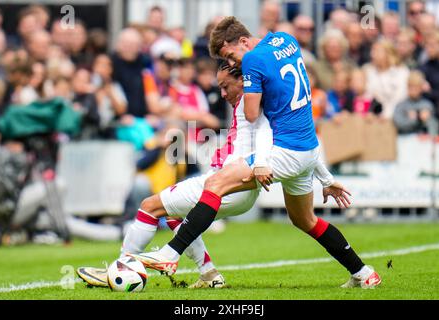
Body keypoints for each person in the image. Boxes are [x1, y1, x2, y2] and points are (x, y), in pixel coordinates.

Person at [132, 17, 381, 289]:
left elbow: (253, 115)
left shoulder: (252, 61)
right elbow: (295, 112)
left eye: (229, 55)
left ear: (242, 41)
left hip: (285, 152)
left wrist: (261, 161)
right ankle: (364, 272)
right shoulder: (286, 40)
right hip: (308, 150)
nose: (233, 63)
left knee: (215, 184)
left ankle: (170, 254)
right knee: (304, 220)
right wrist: (326, 177)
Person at [77, 61, 341, 289]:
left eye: (227, 86)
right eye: (220, 87)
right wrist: (325, 178)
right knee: (173, 214)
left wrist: (262, 163)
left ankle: (121, 267)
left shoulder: (254, 107)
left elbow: (267, 135)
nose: (223, 93)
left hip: (226, 184)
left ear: (244, 81)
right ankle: (209, 274)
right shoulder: (255, 106)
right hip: (235, 186)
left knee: (149, 207)